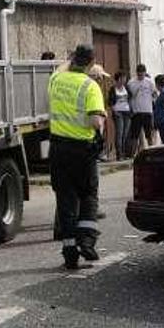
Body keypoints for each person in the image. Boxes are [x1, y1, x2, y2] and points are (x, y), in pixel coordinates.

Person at [47, 44, 107, 269]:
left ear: (72, 59)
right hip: (83, 150)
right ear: (91, 63)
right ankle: (87, 241)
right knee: (89, 195)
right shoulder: (90, 86)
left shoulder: (56, 80)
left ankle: (69, 252)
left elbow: (59, 70)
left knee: (65, 201)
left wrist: (69, 58)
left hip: (58, 150)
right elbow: (95, 121)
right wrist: (100, 124)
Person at [127, 64, 158, 153]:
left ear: (145, 73)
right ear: (136, 73)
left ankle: (152, 151)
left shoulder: (149, 82)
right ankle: (133, 153)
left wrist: (153, 99)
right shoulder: (131, 82)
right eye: (139, 74)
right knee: (135, 135)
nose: (140, 76)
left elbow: (155, 93)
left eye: (142, 74)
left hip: (147, 111)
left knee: (149, 133)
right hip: (136, 111)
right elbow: (129, 96)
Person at [108, 71, 132, 159]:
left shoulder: (126, 88)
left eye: (125, 78)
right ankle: (119, 154)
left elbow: (130, 97)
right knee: (119, 133)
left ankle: (125, 153)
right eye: (122, 78)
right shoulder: (113, 89)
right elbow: (110, 102)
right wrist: (114, 111)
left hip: (127, 112)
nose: (124, 80)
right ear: (117, 79)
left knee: (125, 133)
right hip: (118, 112)